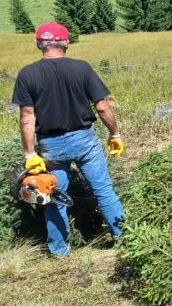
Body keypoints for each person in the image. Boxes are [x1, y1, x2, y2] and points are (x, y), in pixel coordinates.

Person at [11, 22, 125, 257]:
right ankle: (125, 239)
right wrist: (115, 134)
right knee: (104, 191)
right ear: (66, 43)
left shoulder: (27, 74)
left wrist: (30, 154)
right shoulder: (82, 68)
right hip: (84, 140)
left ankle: (59, 250)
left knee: (53, 196)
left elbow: (26, 117)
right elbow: (102, 107)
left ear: (38, 44)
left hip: (51, 146)